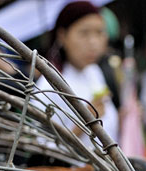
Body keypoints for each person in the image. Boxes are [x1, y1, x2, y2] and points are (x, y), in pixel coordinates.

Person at [37, 1, 120, 144]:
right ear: (62, 36)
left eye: (99, 32)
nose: (94, 42)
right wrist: (83, 124)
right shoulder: (48, 87)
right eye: (84, 33)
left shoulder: (94, 72)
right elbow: (43, 147)